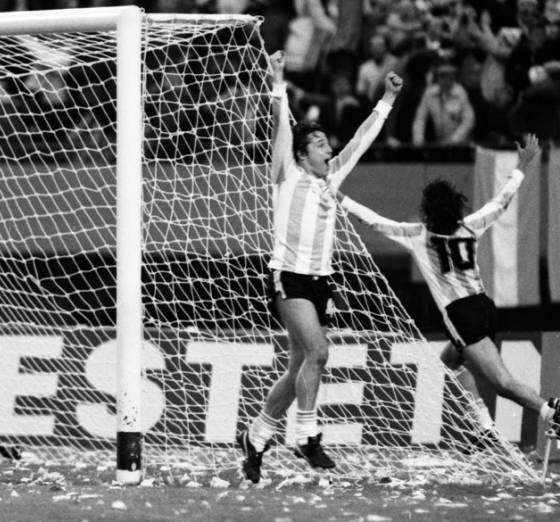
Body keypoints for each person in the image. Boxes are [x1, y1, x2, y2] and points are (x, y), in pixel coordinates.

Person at [235, 50, 402, 484]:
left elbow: (363, 138)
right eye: (321, 145)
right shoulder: (286, 174)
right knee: (320, 352)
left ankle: (256, 437)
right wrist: (277, 79)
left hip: (321, 281)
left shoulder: (333, 178)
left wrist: (385, 99)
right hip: (288, 277)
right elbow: (282, 125)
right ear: (303, 153)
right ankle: (307, 435)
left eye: (329, 144)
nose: (330, 150)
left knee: (298, 369)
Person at [338, 134, 559, 446]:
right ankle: (483, 424)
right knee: (450, 362)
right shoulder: (471, 225)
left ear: (428, 211)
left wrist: (341, 198)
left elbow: (375, 222)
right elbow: (502, 199)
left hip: (460, 315)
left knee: (502, 382)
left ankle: (549, 411)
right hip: (484, 306)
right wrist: (522, 164)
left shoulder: (419, 236)